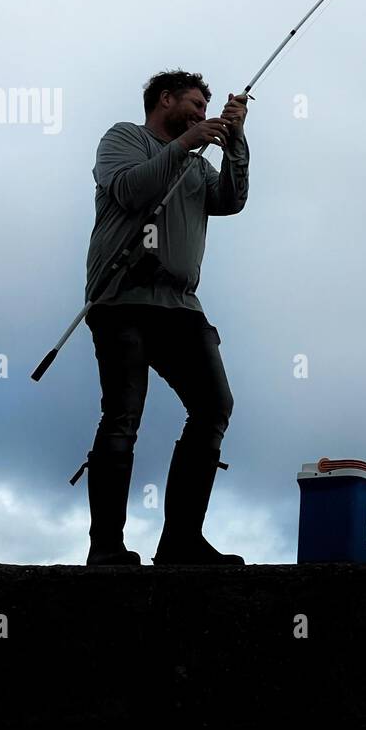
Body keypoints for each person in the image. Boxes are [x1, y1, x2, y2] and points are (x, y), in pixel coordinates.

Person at [69, 69, 250, 566]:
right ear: (164, 99)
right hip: (121, 299)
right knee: (123, 417)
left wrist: (235, 142)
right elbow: (130, 190)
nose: (200, 113)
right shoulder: (124, 138)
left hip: (180, 307)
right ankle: (105, 547)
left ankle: (181, 541)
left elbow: (230, 201)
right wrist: (189, 140)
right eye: (193, 104)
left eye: (203, 108)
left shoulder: (195, 165)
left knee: (214, 406)